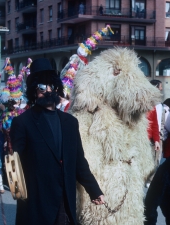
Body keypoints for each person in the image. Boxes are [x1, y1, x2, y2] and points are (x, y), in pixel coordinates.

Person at [10, 58, 105, 225]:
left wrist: (94, 190)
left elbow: (79, 162)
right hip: (35, 204)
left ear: (57, 88)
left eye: (51, 86)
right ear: (33, 91)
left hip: (64, 202)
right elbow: (14, 164)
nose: (47, 91)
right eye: (41, 87)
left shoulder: (70, 122)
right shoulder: (22, 122)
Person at [145, 80, 163, 188]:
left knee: (151, 161)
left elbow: (155, 124)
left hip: (149, 140)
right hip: (138, 140)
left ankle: (149, 179)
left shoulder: (152, 107)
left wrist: (156, 140)